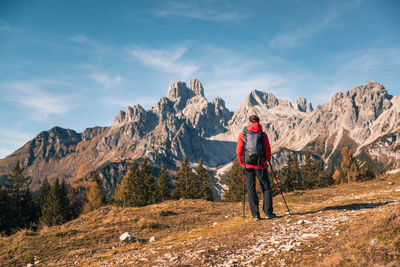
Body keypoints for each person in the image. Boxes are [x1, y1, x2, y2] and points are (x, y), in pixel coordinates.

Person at [236, 115, 276, 220]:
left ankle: (255, 215)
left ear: (249, 122)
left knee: (251, 189)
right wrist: (267, 159)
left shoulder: (243, 134)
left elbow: (239, 151)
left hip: (248, 165)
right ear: (259, 122)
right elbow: (267, 149)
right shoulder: (263, 135)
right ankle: (268, 213)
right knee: (266, 188)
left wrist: (242, 163)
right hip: (261, 165)